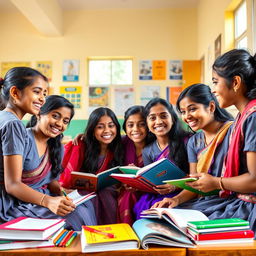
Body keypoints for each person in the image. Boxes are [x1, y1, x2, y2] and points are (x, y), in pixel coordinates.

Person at [155, 49, 256, 237]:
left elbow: (254, 180)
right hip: (233, 201)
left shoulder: (250, 118)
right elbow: (196, 182)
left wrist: (217, 183)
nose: (214, 90)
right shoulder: (243, 118)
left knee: (175, 231)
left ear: (235, 83)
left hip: (245, 207)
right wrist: (176, 199)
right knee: (161, 221)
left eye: (216, 82)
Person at [153, 83, 233, 209]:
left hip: (232, 201)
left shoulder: (233, 132)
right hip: (205, 201)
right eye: (183, 112)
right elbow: (194, 184)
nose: (187, 116)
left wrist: (216, 183)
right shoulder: (194, 142)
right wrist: (175, 199)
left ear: (211, 106)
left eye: (192, 109)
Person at [25, 95, 97, 230]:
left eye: (65, 121)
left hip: (45, 196)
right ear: (40, 113)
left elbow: (51, 181)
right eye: (55, 116)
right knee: (75, 215)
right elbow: (12, 184)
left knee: (85, 204)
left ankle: (91, 247)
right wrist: (49, 201)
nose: (59, 124)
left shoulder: (56, 147)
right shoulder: (23, 139)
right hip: (24, 200)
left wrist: (61, 191)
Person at [59, 107, 124, 224]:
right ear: (92, 129)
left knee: (107, 193)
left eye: (111, 125)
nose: (107, 130)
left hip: (108, 192)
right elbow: (66, 178)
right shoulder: (81, 145)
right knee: (90, 199)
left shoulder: (120, 145)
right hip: (83, 193)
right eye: (100, 127)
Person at [133, 98, 191, 219]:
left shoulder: (188, 141)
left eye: (164, 116)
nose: (158, 121)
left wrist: (175, 186)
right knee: (144, 206)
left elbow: (196, 176)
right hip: (158, 194)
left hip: (185, 192)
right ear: (148, 124)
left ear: (173, 119)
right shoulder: (148, 150)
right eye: (152, 118)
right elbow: (152, 180)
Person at [117, 105, 152, 225]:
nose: (135, 129)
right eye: (130, 125)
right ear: (125, 128)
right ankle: (126, 233)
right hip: (125, 190)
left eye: (141, 124)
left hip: (151, 191)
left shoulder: (156, 144)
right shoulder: (121, 143)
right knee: (128, 196)